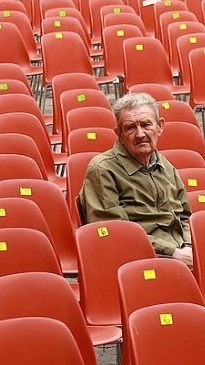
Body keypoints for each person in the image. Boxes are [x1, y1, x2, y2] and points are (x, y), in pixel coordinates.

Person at [79, 92, 194, 268]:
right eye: (130, 127)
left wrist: (188, 246)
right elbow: (115, 231)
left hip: (180, 251)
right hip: (140, 257)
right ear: (119, 134)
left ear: (160, 126)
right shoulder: (102, 169)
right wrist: (173, 253)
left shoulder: (165, 165)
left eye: (146, 125)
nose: (140, 134)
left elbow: (185, 217)